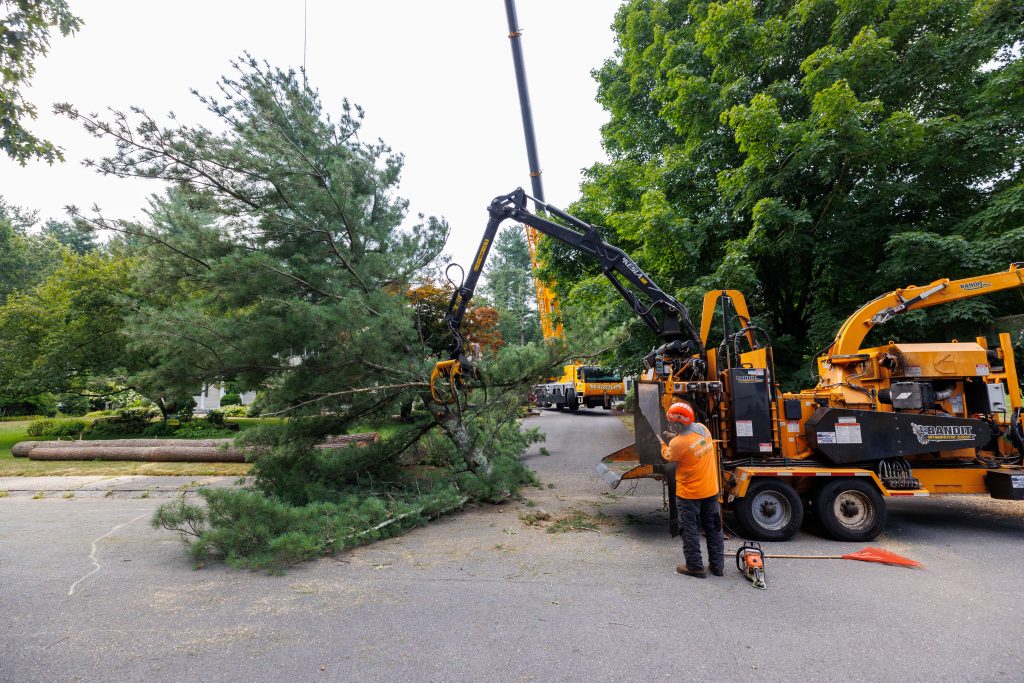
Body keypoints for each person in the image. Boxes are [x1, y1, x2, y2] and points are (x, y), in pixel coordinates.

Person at [660, 401, 724, 578]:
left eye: (671, 422)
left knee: (689, 530)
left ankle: (695, 566)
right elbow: (690, 440)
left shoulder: (677, 444)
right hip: (711, 490)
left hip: (689, 495)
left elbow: (668, 456)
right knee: (714, 530)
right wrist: (675, 435)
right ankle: (718, 567)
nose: (670, 425)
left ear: (677, 424)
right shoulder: (704, 430)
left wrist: (663, 443)